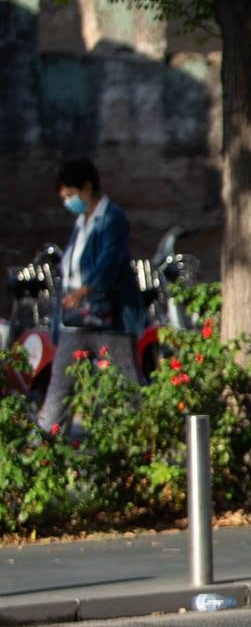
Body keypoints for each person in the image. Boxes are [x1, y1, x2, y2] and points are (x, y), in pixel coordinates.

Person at [38, 158, 146, 433]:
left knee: (127, 387)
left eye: (71, 195)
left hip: (109, 318)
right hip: (75, 320)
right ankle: (42, 451)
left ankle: (143, 444)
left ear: (87, 188)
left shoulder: (112, 218)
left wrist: (87, 289)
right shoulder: (82, 222)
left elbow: (111, 260)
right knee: (58, 392)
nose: (68, 202)